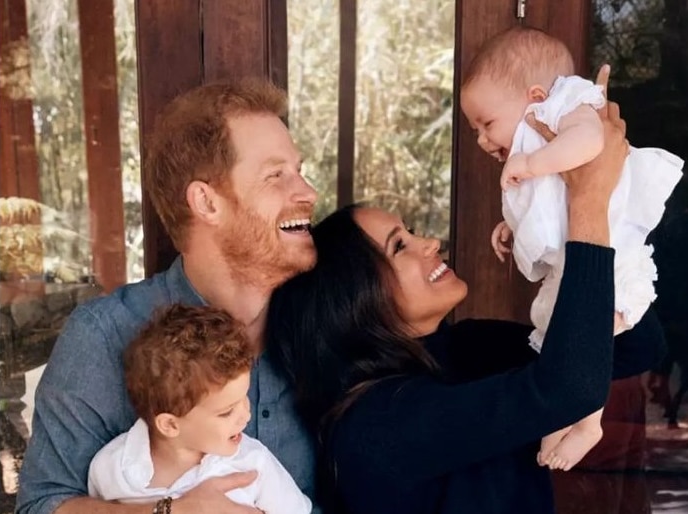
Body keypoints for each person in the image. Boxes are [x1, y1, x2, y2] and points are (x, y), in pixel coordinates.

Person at [266, 79, 667, 513]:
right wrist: (587, 200)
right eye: (400, 246)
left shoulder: (466, 348)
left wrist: (568, 226)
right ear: (352, 300)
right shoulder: (375, 425)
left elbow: (635, 348)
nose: (430, 243)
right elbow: (570, 388)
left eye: (413, 232)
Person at [16, 79, 320, 514]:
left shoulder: (323, 320)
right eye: (277, 175)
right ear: (206, 202)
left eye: (299, 169)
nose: (307, 192)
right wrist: (166, 511)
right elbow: (40, 505)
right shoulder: (103, 337)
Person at [459, 26, 682, 470]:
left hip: (612, 255)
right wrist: (511, 225)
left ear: (536, 95)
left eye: (487, 124)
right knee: (559, 335)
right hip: (578, 256)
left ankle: (588, 422)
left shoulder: (570, 105)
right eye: (475, 130)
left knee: (588, 335)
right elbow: (553, 204)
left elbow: (590, 143)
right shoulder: (539, 139)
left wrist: (531, 162)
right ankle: (563, 415)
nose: (483, 140)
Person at [87, 304, 312, 514]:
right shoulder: (111, 468)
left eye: (245, 398)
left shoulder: (252, 463)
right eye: (227, 412)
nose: (246, 415)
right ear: (170, 424)